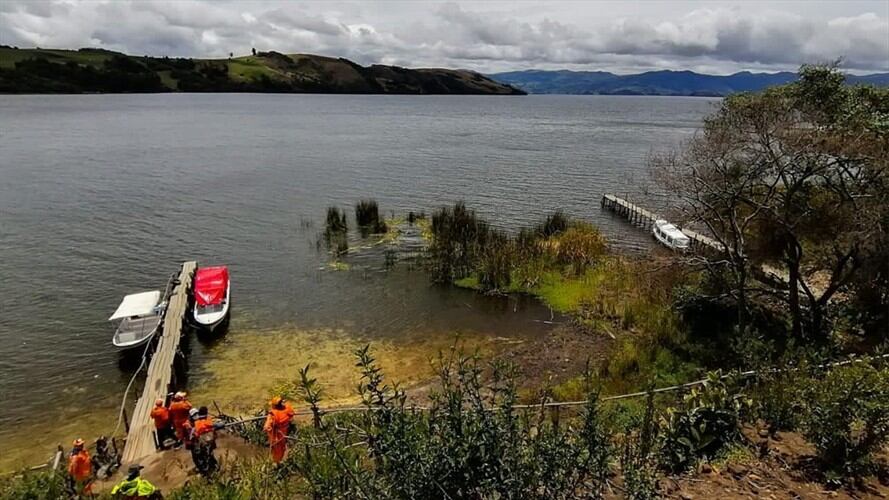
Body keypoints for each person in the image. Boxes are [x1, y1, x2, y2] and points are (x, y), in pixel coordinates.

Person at [190, 406, 221, 476]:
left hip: (204, 442)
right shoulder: (196, 424)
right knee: (206, 456)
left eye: (196, 414)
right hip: (203, 443)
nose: (196, 416)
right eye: (194, 415)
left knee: (208, 455)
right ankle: (209, 471)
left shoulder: (197, 423)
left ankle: (211, 469)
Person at [263, 396, 295, 463]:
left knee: (276, 450)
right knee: (282, 447)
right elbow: (292, 414)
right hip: (284, 433)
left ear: (274, 405)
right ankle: (280, 461)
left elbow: (266, 427)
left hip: (276, 435)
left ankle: (276, 463)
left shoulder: (273, 414)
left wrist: (268, 431)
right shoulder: (287, 409)